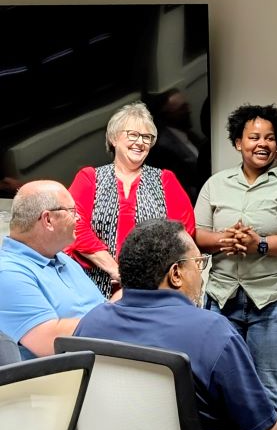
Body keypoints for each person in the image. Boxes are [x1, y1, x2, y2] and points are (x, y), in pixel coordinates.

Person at [75, 219, 277, 430]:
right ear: (176, 274)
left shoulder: (90, 323)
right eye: (198, 263)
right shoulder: (212, 332)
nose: (200, 273)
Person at [195, 103, 277, 430]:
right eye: (253, 137)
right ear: (238, 142)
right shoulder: (216, 184)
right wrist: (227, 239)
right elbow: (195, 235)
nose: (262, 144)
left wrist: (260, 244)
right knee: (220, 389)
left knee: (272, 391)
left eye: (269, 137)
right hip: (222, 298)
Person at [66, 102, 196, 298]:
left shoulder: (165, 180)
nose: (140, 142)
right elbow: (75, 225)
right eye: (133, 134)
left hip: (152, 288)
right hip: (93, 286)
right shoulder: (89, 178)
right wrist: (114, 269)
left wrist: (144, 274)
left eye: (146, 137)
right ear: (113, 138)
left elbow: (183, 232)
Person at [0, 181, 104, 358]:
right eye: (72, 212)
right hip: (65, 377)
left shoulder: (60, 257)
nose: (78, 218)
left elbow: (100, 307)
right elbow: (50, 342)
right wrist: (119, 316)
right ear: (48, 219)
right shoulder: (7, 274)